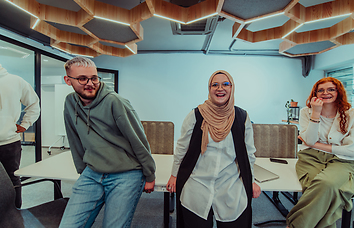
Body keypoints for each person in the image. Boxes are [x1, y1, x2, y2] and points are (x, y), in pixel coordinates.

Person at [59, 57, 156, 228]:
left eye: (94, 78)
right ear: (68, 80)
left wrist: (150, 174)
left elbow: (139, 141)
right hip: (92, 173)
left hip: (126, 173)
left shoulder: (115, 102)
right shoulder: (70, 102)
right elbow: (74, 139)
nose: (90, 83)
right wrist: (82, 171)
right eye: (82, 78)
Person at [166, 70, 261, 228]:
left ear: (232, 88)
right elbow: (182, 147)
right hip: (198, 182)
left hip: (230, 182)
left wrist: (251, 180)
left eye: (225, 84)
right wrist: (174, 175)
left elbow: (249, 153)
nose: (220, 88)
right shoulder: (196, 115)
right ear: (209, 89)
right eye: (214, 85)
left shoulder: (241, 117)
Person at [286, 77, 354, 228]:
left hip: (343, 160)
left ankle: (294, 225)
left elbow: (353, 150)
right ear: (315, 93)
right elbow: (310, 140)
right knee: (323, 191)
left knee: (326, 183)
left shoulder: (353, 114)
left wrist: (317, 145)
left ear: (338, 92)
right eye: (321, 90)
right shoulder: (306, 112)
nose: (325, 93)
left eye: (331, 89)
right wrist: (316, 113)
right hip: (310, 157)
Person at [0, 64, 40, 209]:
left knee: (12, 179)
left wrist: (25, 124)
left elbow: (34, 104)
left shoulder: (16, 81)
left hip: (9, 142)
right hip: (11, 142)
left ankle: (15, 213)